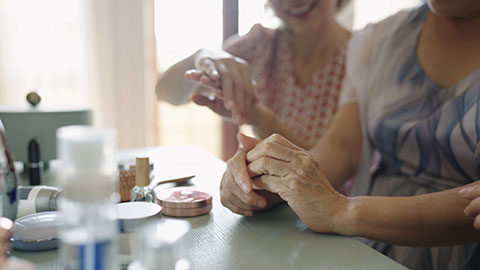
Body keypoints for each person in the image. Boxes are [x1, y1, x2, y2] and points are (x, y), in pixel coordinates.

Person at [219, 0, 480, 269]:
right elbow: (341, 150)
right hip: (365, 245)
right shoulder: (380, 39)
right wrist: (263, 184)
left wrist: (343, 211)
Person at [156, 0, 351, 149]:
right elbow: (164, 91)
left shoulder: (363, 57)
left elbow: (329, 170)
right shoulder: (261, 45)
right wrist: (202, 56)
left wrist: (258, 117)